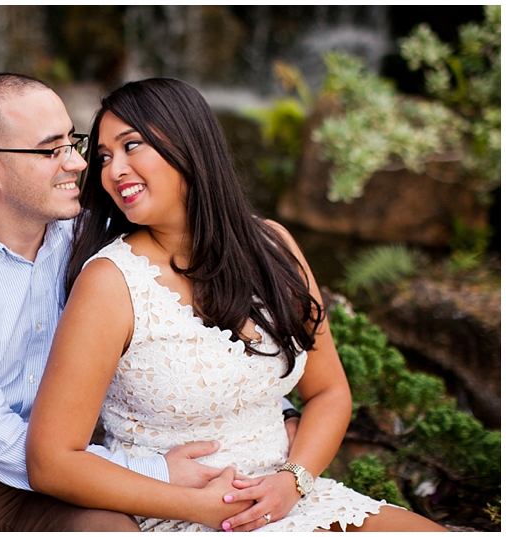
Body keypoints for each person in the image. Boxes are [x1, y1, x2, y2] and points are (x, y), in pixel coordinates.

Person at [0, 73, 299, 532]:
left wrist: (263, 403)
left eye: (74, 141)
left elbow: (191, 313)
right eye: (53, 150)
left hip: (76, 463)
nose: (79, 163)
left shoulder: (97, 233)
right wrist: (156, 472)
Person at [25, 78, 448, 532]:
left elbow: (329, 393)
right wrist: (198, 508)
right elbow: (52, 461)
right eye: (106, 156)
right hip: (181, 513)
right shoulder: (110, 282)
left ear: (190, 143)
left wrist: (295, 480)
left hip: (290, 497)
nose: (112, 170)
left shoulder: (273, 244)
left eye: (132, 146)